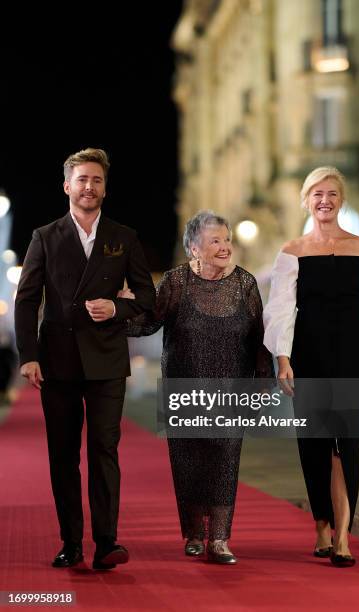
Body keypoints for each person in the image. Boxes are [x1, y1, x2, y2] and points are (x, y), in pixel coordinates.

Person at [14, 148, 156, 570]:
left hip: (107, 360)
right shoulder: (45, 236)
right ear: (67, 186)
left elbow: (147, 298)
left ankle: (107, 543)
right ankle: (71, 542)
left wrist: (116, 309)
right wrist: (28, 356)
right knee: (62, 454)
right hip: (57, 360)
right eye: (81, 180)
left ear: (105, 188)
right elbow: (26, 301)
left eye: (96, 180)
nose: (88, 186)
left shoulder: (123, 237)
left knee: (104, 449)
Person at [126, 210, 273, 564]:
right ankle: (193, 533)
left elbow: (258, 338)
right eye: (215, 240)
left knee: (224, 459)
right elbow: (149, 324)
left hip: (230, 388)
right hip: (184, 385)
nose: (224, 247)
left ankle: (219, 538)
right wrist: (118, 313)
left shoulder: (245, 284)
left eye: (226, 239)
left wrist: (264, 381)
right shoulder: (176, 282)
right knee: (189, 459)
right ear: (194, 247)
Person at [263, 167, 359, 567]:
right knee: (315, 443)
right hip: (308, 351)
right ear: (306, 199)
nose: (325, 200)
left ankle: (344, 539)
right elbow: (281, 309)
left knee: (346, 444)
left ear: (341, 199)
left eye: (332, 193)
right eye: (317, 193)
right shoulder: (292, 251)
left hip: (352, 353)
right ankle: (321, 526)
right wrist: (282, 358)